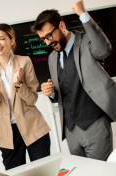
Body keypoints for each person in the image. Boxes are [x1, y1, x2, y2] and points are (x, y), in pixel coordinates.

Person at [32, 0, 116, 160]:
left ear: (62, 26)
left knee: (99, 173)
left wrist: (83, 15)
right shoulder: (51, 58)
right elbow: (61, 94)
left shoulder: (86, 42)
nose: (48, 42)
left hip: (95, 124)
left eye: (49, 35)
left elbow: (104, 49)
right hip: (71, 131)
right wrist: (50, 93)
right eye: (43, 39)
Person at [0, 23, 51, 170]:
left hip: (33, 127)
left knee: (44, 172)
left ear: (12, 41)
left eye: (1, 39)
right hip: (6, 134)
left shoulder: (25, 61)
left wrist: (19, 85)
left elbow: (32, 99)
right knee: (16, 173)